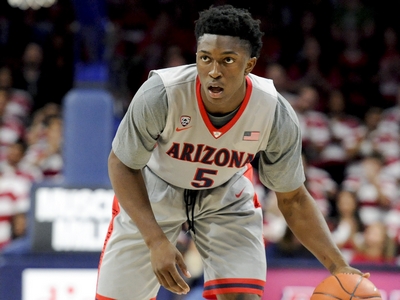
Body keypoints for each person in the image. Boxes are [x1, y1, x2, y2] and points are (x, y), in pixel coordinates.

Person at [96, 5, 368, 300]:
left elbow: (294, 199)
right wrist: (155, 240)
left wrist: (339, 266)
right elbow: (121, 164)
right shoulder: (160, 94)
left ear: (250, 65)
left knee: (242, 297)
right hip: (154, 190)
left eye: (227, 60)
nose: (214, 71)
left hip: (225, 194)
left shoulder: (274, 113)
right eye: (205, 59)